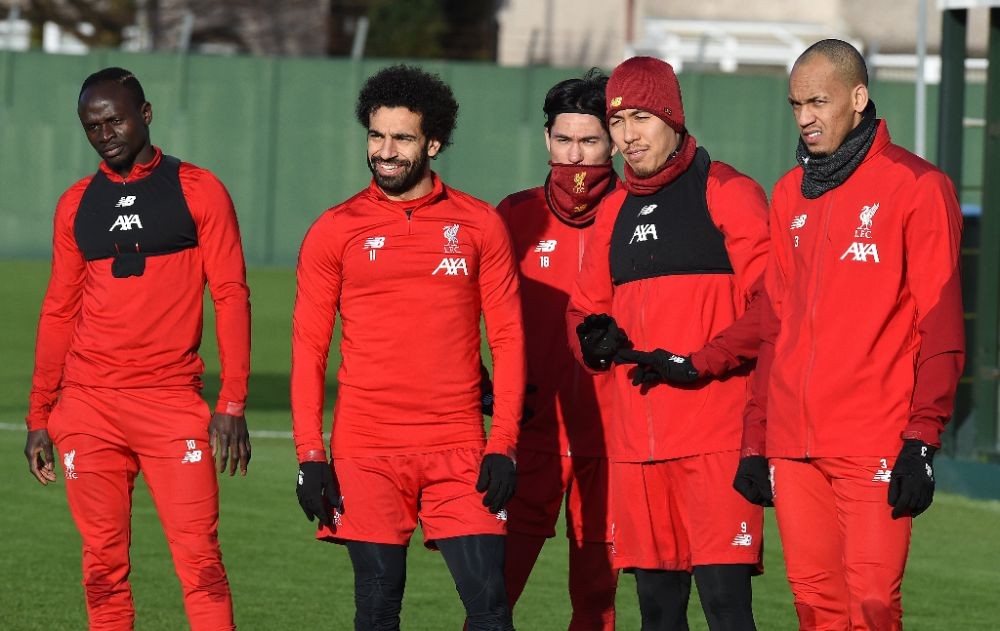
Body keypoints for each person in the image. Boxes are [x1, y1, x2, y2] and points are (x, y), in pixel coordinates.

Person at [734, 39, 964, 630]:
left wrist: (922, 438)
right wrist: (757, 438)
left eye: (818, 101)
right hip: (793, 443)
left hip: (873, 439)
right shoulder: (789, 192)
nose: (805, 117)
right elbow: (773, 328)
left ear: (858, 98)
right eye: (795, 104)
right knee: (815, 608)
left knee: (872, 607)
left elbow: (940, 325)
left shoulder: (918, 186)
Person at [291, 64, 525, 631]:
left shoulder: (480, 225)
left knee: (492, 609)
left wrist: (503, 444)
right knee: (378, 609)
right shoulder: (334, 229)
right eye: (376, 135)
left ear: (433, 143)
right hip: (367, 448)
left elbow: (509, 338)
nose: (385, 151)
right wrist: (310, 456)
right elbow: (308, 349)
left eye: (402, 137)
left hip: (459, 444)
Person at [23, 67, 252, 631]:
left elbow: (230, 295)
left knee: (202, 565)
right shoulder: (76, 205)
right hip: (87, 408)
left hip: (171, 405)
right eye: (92, 126)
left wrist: (232, 403)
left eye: (115, 120)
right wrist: (40, 415)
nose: (105, 135)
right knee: (102, 569)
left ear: (145, 114)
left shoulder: (198, 190)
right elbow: (58, 312)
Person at [567, 56, 770, 631]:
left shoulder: (728, 191)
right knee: (657, 614)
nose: (627, 136)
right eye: (617, 121)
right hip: (638, 448)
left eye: (641, 118)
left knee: (726, 609)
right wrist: (591, 339)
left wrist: (700, 363)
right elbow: (582, 309)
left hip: (716, 441)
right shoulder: (612, 211)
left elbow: (773, 306)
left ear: (673, 118)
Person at [487, 69, 622, 630]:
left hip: (612, 441)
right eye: (564, 140)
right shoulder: (514, 216)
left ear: (614, 141)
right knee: (492, 597)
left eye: (589, 141)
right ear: (546, 138)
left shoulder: (642, 216)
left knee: (596, 601)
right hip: (529, 436)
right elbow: (455, 307)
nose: (575, 156)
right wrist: (480, 382)